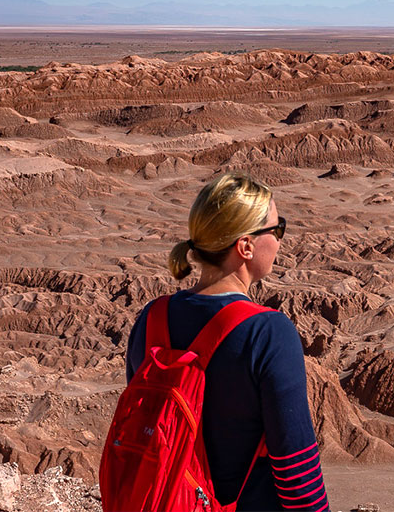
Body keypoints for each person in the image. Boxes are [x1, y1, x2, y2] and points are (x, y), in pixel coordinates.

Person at [125, 172, 328, 512]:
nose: (280, 241)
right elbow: (298, 473)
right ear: (245, 245)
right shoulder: (268, 333)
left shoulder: (151, 320)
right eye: (277, 230)